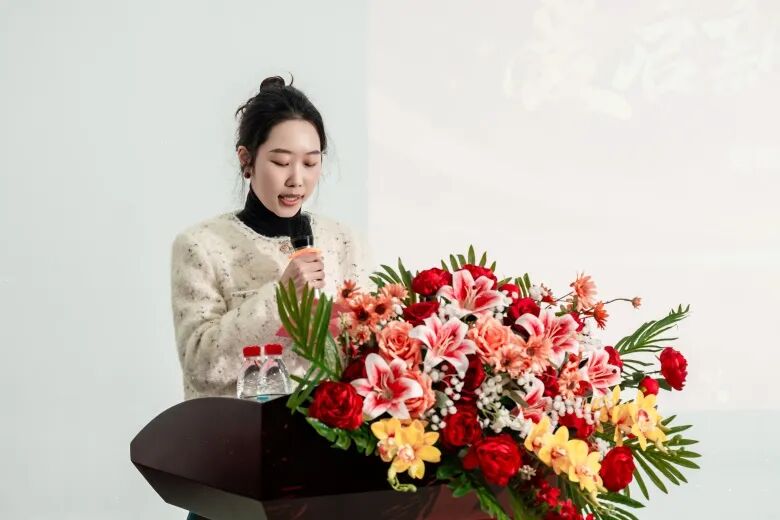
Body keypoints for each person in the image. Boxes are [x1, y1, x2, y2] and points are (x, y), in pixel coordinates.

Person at [170, 74, 372, 401]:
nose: (297, 179)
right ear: (246, 159)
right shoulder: (201, 246)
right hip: (237, 431)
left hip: (327, 432)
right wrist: (282, 298)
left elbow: (366, 357)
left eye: (311, 162)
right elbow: (200, 368)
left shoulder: (344, 241)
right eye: (281, 162)